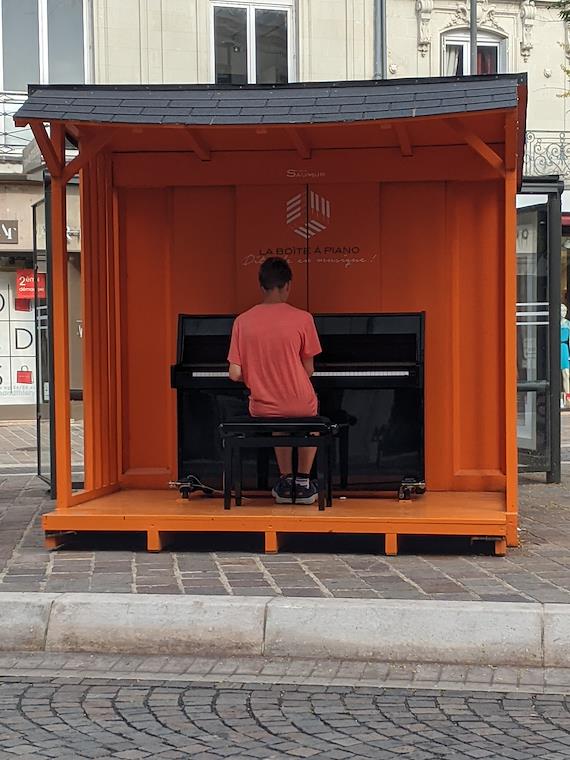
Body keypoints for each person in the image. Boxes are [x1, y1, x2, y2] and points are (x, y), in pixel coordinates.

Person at [227, 257, 322, 504]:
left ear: (261, 286)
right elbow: (309, 370)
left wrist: (260, 375)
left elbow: (234, 373)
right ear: (288, 285)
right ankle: (303, 482)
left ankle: (285, 481)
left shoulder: (242, 321)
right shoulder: (304, 318)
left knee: (279, 420)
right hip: (300, 402)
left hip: (263, 405)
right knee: (309, 419)